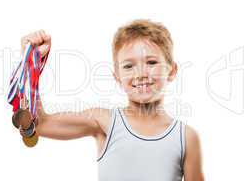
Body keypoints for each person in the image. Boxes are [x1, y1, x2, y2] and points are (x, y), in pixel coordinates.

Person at [19, 19, 204, 181]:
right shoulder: (105, 122)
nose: (141, 74)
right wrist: (30, 62)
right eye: (129, 66)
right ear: (117, 77)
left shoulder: (186, 138)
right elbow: (40, 124)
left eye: (151, 62)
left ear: (172, 71)